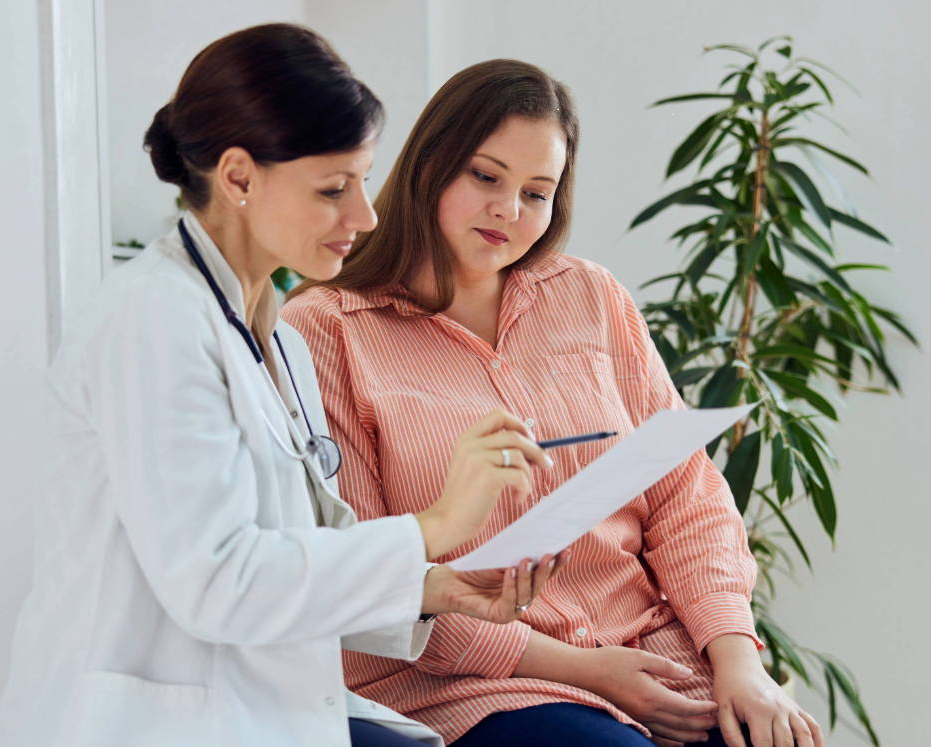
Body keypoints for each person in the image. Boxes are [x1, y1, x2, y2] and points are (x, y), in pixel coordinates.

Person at [0, 27, 568, 747]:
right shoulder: (153, 318)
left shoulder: (280, 340)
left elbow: (306, 548)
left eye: (362, 181)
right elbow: (220, 581)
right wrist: (435, 527)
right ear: (237, 178)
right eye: (334, 189)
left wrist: (432, 584)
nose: (364, 216)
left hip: (263, 711)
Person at [282, 59, 826, 747]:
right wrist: (588, 672)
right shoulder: (326, 329)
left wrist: (739, 661)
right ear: (429, 163)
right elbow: (366, 567)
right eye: (486, 175)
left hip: (648, 649)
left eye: (536, 192)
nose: (509, 210)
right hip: (475, 684)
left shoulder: (592, 298)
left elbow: (688, 495)